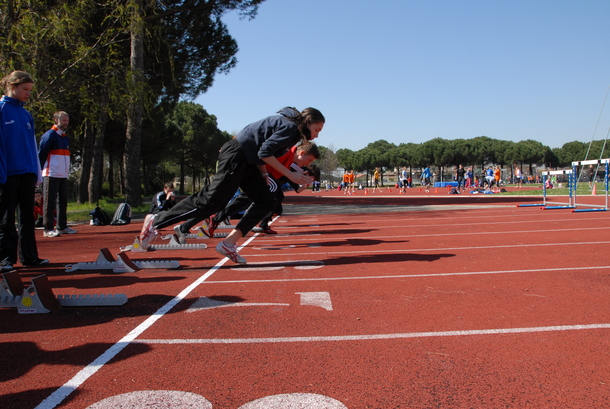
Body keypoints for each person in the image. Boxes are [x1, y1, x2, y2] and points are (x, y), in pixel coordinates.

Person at [139, 107, 324, 263]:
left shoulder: (290, 127)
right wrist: (290, 174)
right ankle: (156, 221)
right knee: (212, 201)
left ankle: (228, 244)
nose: (316, 135)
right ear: (308, 121)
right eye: (317, 129)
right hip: (238, 155)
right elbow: (264, 151)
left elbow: (260, 146)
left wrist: (264, 174)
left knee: (267, 200)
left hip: (248, 160)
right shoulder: (291, 128)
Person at [200, 142, 320, 238]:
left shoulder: (294, 161)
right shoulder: (286, 150)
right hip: (258, 171)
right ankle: (224, 221)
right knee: (268, 195)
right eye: (308, 160)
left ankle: (220, 219)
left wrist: (302, 180)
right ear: (302, 153)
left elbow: (297, 178)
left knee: (268, 197)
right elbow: (262, 152)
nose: (307, 164)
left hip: (264, 174)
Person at [0, 71, 48, 270]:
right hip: (8, 173)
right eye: (25, 89)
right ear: (12, 87)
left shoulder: (26, 113)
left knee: (28, 216)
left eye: (30, 90)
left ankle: (29, 256)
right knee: (6, 217)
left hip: (27, 172)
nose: (28, 93)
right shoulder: (2, 110)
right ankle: (5, 258)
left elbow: (31, 145)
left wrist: (36, 172)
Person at [38, 111, 77, 237]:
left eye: (67, 121)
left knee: (63, 202)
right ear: (56, 120)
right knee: (49, 202)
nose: (66, 123)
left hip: (63, 174)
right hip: (51, 173)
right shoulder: (49, 135)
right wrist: (38, 172)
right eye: (63, 120)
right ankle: (48, 228)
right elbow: (41, 154)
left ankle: (62, 226)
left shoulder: (64, 137)